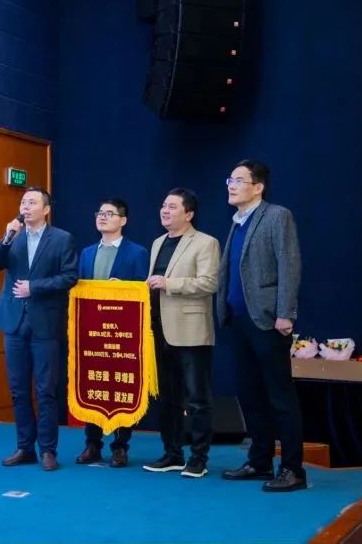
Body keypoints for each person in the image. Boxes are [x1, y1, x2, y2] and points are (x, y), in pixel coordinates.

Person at [218, 160, 306, 492]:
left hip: (268, 320)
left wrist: (285, 313)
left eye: (239, 180)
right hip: (239, 321)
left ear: (258, 187)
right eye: (230, 179)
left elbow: (289, 266)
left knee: (280, 397)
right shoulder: (237, 221)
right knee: (250, 395)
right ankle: (259, 461)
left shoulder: (277, 216)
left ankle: (293, 469)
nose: (231, 185)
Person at [0, 186, 78, 471]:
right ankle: (25, 447)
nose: (25, 207)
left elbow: (70, 276)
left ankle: (48, 450)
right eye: (23, 202)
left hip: (45, 324)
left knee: (46, 389)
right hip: (13, 322)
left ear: (46, 209)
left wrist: (34, 287)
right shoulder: (13, 236)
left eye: (32, 202)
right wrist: (5, 239)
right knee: (18, 390)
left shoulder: (62, 238)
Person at [142, 188, 219, 479]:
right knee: (168, 398)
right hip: (159, 331)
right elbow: (152, 284)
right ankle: (172, 454)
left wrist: (169, 283)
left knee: (197, 399)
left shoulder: (206, 242)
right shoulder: (157, 242)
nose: (165, 210)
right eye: (163, 205)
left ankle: (198, 458)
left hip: (191, 331)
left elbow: (209, 283)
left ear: (189, 214)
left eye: (172, 207)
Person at [75, 198, 150, 468]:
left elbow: (144, 291)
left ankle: (120, 447)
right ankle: (92, 444)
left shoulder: (137, 253)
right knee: (92, 384)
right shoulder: (86, 253)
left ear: (123, 220)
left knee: (121, 386)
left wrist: (124, 288)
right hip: (92, 332)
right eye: (100, 213)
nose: (103, 217)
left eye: (109, 213)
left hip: (123, 334)